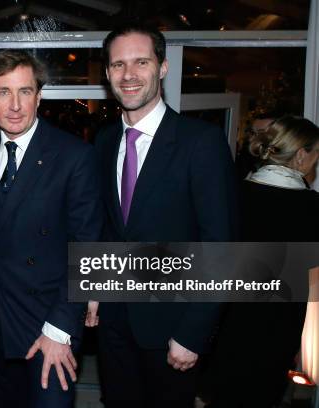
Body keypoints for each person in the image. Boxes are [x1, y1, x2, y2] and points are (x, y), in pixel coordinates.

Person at [90, 23, 238, 407]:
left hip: (173, 329)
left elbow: (221, 247)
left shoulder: (200, 143)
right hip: (114, 325)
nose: (129, 75)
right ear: (107, 74)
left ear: (163, 68)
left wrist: (193, 333)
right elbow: (110, 228)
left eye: (141, 62)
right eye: (118, 65)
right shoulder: (105, 141)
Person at [0, 49, 103, 407]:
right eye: (3, 92)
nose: (15, 105)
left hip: (50, 322)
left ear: (39, 96)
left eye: (25, 91)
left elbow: (87, 246)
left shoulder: (73, 155)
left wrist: (60, 326)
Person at [204, 115, 319, 407]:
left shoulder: (231, 194)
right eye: (316, 153)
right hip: (277, 333)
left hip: (224, 327)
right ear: (302, 154)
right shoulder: (312, 208)